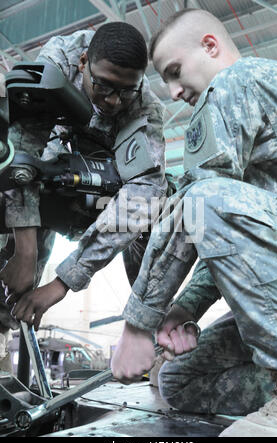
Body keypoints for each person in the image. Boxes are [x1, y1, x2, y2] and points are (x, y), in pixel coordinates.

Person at [111, 8, 277, 437]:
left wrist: (139, 325)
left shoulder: (238, 80)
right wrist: (184, 308)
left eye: (175, 72)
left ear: (211, 46)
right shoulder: (259, 122)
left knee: (203, 197)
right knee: (179, 380)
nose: (175, 91)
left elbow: (199, 209)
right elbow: (241, 236)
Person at [0, 22, 169, 370]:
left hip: (106, 199)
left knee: (166, 212)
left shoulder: (144, 108)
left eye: (125, 91)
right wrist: (25, 251)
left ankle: (148, 338)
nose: (112, 101)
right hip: (46, 184)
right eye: (104, 85)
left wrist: (63, 282)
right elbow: (22, 154)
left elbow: (142, 197)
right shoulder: (58, 60)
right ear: (82, 63)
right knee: (15, 268)